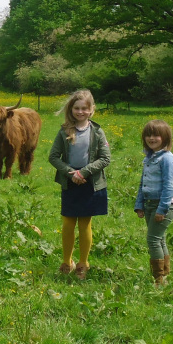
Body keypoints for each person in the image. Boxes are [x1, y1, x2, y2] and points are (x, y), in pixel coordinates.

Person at [48, 89, 111, 280]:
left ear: (91, 110)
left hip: (90, 183)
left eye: (85, 108)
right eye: (77, 108)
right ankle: (67, 261)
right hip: (70, 183)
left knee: (85, 224)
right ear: (71, 109)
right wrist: (70, 173)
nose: (80, 112)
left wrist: (83, 172)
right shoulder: (64, 131)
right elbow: (53, 157)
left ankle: (83, 263)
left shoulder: (98, 132)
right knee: (68, 223)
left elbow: (105, 158)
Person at [134, 120, 173, 287]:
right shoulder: (149, 158)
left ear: (165, 137)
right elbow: (143, 183)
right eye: (148, 134)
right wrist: (139, 205)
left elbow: (169, 187)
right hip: (149, 204)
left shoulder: (167, 159)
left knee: (153, 240)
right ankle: (164, 274)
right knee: (160, 240)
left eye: (156, 135)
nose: (151, 138)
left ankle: (158, 279)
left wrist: (162, 209)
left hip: (164, 205)